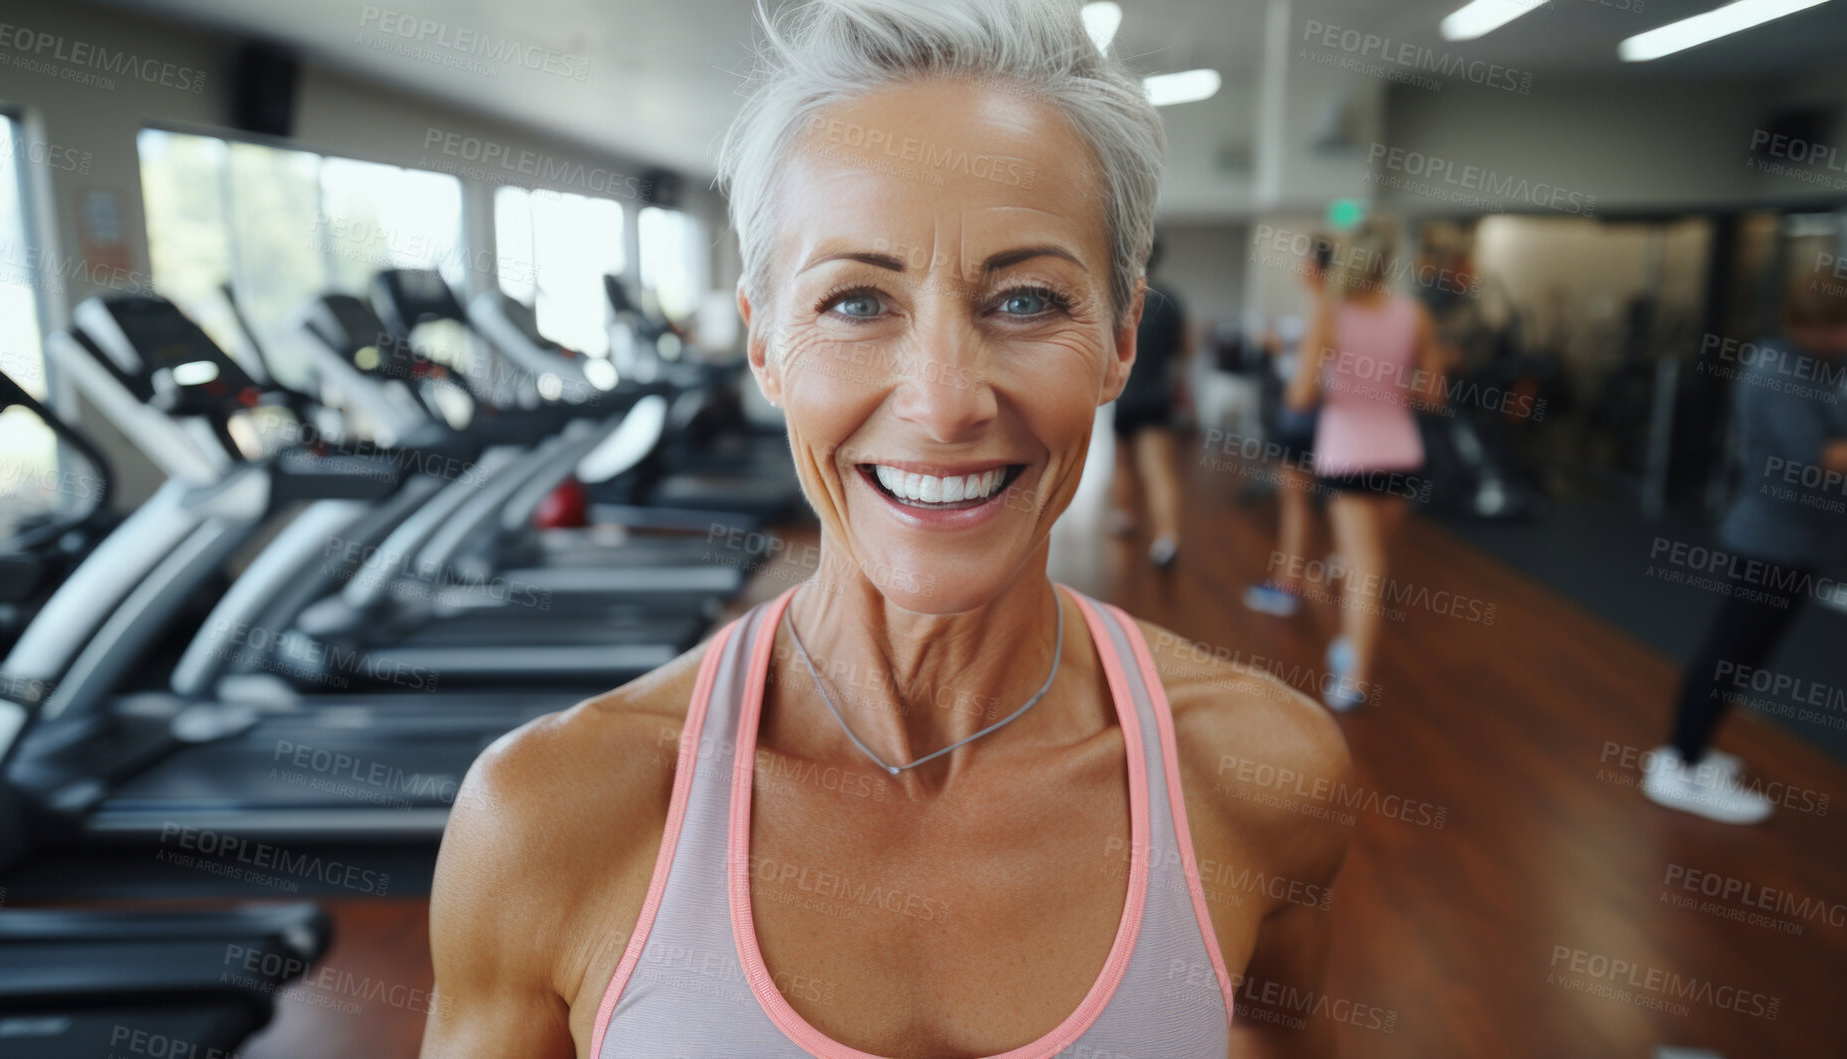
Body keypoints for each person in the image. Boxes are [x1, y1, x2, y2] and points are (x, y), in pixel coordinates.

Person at [421, 2, 1352, 1056]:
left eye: (1026, 300)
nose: (944, 401)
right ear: (764, 345)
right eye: (857, 304)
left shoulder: (1260, 773)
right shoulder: (546, 819)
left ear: (1120, 340)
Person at [1642, 271, 1847, 825]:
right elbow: (1818, 459)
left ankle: (1692, 751)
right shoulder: (1779, 370)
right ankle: (1677, 765)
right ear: (1818, 326)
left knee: (1745, 657)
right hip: (1772, 540)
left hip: (1803, 539)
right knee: (1729, 654)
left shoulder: (1820, 365)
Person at [1285, 221, 1445, 711]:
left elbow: (1300, 396)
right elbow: (1435, 395)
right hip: (1401, 456)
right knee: (1366, 561)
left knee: (1365, 569)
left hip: (1349, 456)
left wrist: (1344, 382)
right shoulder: (1414, 315)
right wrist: (1391, 386)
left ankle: (1353, 680)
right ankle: (1337, 605)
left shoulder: (1331, 316)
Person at [1243, 238, 1332, 618]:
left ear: (1316, 268)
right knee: (1308, 503)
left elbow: (1307, 380)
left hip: (1305, 416)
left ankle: (1288, 583)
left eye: (1304, 262)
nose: (1299, 268)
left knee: (1295, 502)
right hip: (1322, 418)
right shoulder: (1331, 308)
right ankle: (1309, 576)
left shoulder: (1325, 309)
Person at [1111, 237, 1189, 568]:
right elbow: (1187, 349)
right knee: (1158, 469)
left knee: (1123, 463)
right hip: (1157, 397)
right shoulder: (1171, 299)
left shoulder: (1122, 299)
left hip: (1124, 395)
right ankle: (1166, 537)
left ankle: (1125, 517)